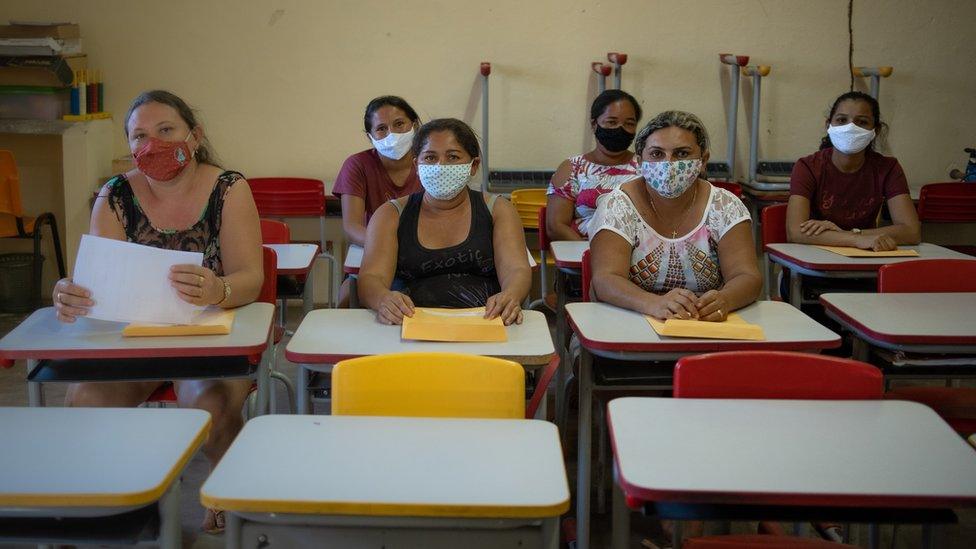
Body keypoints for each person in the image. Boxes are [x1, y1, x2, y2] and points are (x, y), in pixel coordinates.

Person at [51, 90, 263, 534]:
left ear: (195, 134)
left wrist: (218, 288)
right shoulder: (114, 195)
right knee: (84, 400)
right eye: (139, 135)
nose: (153, 144)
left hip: (208, 339)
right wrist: (71, 293)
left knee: (210, 407)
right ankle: (98, 502)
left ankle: (224, 494)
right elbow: (97, 284)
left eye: (166, 130)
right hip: (137, 340)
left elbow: (250, 278)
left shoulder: (229, 188)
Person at [589, 110, 761, 320]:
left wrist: (725, 299)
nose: (668, 164)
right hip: (632, 322)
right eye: (656, 154)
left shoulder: (725, 206)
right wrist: (653, 303)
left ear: (703, 160)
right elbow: (605, 279)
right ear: (640, 161)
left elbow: (747, 276)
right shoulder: (618, 206)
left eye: (682, 154)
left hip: (706, 326)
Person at [358, 118, 530, 326]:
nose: (440, 167)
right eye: (430, 158)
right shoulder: (390, 214)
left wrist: (511, 295)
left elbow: (516, 270)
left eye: (453, 157)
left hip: (485, 323)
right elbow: (371, 278)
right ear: (417, 166)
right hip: (409, 327)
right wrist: (383, 299)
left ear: (473, 165)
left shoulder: (498, 210)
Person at [787, 91, 920, 250]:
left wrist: (853, 234)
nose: (850, 127)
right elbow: (795, 232)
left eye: (862, 122)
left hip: (868, 259)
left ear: (875, 131)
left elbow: (911, 231)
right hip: (815, 260)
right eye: (842, 120)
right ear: (828, 125)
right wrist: (856, 240)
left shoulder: (888, 168)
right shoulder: (808, 167)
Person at [332, 96, 423, 306]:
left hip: (423, 255)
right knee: (347, 296)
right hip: (375, 254)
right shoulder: (357, 165)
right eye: (381, 128)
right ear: (370, 136)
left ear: (415, 125)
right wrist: (388, 246)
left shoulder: (430, 162)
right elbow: (352, 225)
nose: (392, 134)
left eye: (399, 124)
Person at [546, 89, 642, 241]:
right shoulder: (572, 168)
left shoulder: (646, 167)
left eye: (629, 123)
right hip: (583, 256)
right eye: (612, 122)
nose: (620, 129)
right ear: (594, 124)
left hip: (637, 255)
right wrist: (589, 255)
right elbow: (555, 226)